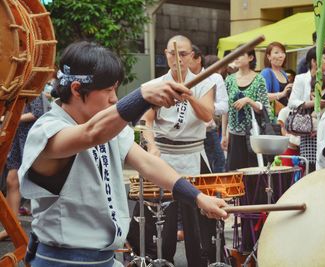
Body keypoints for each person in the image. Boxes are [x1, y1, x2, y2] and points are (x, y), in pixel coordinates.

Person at [17, 41, 227, 267]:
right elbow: (91, 134)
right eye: (108, 90)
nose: (114, 98)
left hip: (105, 260)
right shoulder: (47, 130)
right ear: (77, 89)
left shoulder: (107, 128)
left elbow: (148, 163)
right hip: (62, 261)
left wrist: (198, 198)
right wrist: (143, 96)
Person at [137, 35, 218, 267]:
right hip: (164, 155)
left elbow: (207, 115)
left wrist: (189, 94)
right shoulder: (157, 85)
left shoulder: (204, 81)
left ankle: (200, 261)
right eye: (173, 54)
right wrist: (151, 145)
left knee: (198, 217)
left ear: (192, 56)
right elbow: (146, 121)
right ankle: (160, 260)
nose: (178, 59)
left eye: (183, 54)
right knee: (161, 217)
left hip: (194, 154)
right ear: (166, 55)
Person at [221, 48, 273, 252]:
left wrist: (250, 101)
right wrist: (223, 133)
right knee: (238, 182)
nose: (238, 58)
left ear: (251, 58)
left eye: (242, 55)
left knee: (255, 184)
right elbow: (225, 108)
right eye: (236, 55)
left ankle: (256, 234)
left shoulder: (259, 79)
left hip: (253, 137)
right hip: (235, 135)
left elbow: (266, 108)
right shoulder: (230, 80)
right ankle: (243, 234)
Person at [0, 93, 49, 241]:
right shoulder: (13, 89)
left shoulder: (33, 88)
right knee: (11, 180)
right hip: (17, 137)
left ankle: (42, 228)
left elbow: (37, 113)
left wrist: (11, 119)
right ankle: (11, 225)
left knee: (36, 181)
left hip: (29, 138)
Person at [288, 47, 325, 172]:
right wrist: (313, 103)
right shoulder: (301, 79)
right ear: (314, 61)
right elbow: (292, 103)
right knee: (309, 166)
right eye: (324, 58)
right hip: (308, 128)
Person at [190, 46, 228, 173]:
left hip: (208, 130)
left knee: (217, 165)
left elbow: (224, 106)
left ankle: (214, 193)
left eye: (186, 57)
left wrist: (205, 108)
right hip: (187, 132)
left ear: (198, 59)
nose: (181, 61)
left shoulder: (215, 78)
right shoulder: (180, 78)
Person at [260, 41, 293, 107]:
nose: (280, 55)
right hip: (273, 115)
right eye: (276, 52)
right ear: (269, 56)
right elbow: (262, 96)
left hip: (284, 113)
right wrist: (282, 94)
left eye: (283, 52)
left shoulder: (283, 73)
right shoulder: (266, 73)